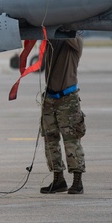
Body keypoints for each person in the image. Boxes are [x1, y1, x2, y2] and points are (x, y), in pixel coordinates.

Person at [39, 34, 86, 194]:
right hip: (50, 97)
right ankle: (58, 179)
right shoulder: (51, 38)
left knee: (71, 139)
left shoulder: (75, 40)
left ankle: (77, 181)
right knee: (50, 140)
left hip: (68, 98)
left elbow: (68, 32)